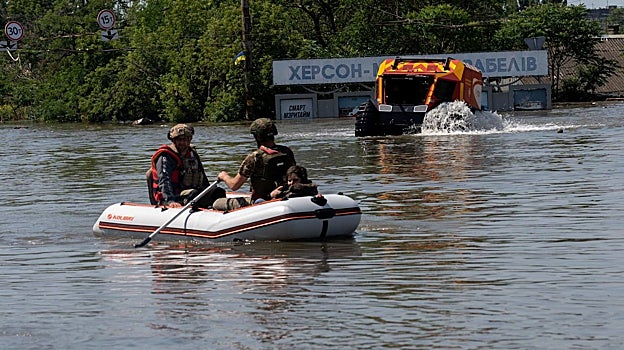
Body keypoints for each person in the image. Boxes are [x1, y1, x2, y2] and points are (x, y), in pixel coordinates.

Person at [213, 118, 296, 211]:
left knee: (217, 203)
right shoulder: (287, 152)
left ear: (257, 137)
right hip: (283, 196)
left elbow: (234, 186)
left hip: (262, 201)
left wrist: (224, 176)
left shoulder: (255, 157)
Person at [149, 124, 224, 208]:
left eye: (187, 139)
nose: (184, 143)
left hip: (191, 193)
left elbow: (203, 177)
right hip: (173, 197)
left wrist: (210, 191)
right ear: (173, 141)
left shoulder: (192, 154)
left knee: (218, 192)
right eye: (180, 140)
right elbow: (164, 180)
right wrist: (170, 201)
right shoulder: (165, 156)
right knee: (194, 194)